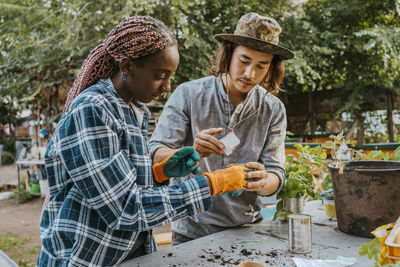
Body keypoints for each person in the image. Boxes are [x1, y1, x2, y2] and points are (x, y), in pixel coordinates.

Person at [37, 16, 251, 267]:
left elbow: (115, 183)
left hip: (128, 256)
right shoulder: (92, 110)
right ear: (127, 66)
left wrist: (158, 172)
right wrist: (213, 184)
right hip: (86, 258)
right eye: (161, 75)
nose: (168, 86)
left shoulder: (134, 110)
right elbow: (125, 209)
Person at [149, 12, 294, 245]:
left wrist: (264, 181)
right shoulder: (188, 94)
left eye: (261, 66)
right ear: (228, 54)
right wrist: (188, 151)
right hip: (191, 228)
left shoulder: (273, 109)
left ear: (271, 68)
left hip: (247, 228)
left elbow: (277, 173)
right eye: (244, 61)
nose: (250, 74)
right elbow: (156, 152)